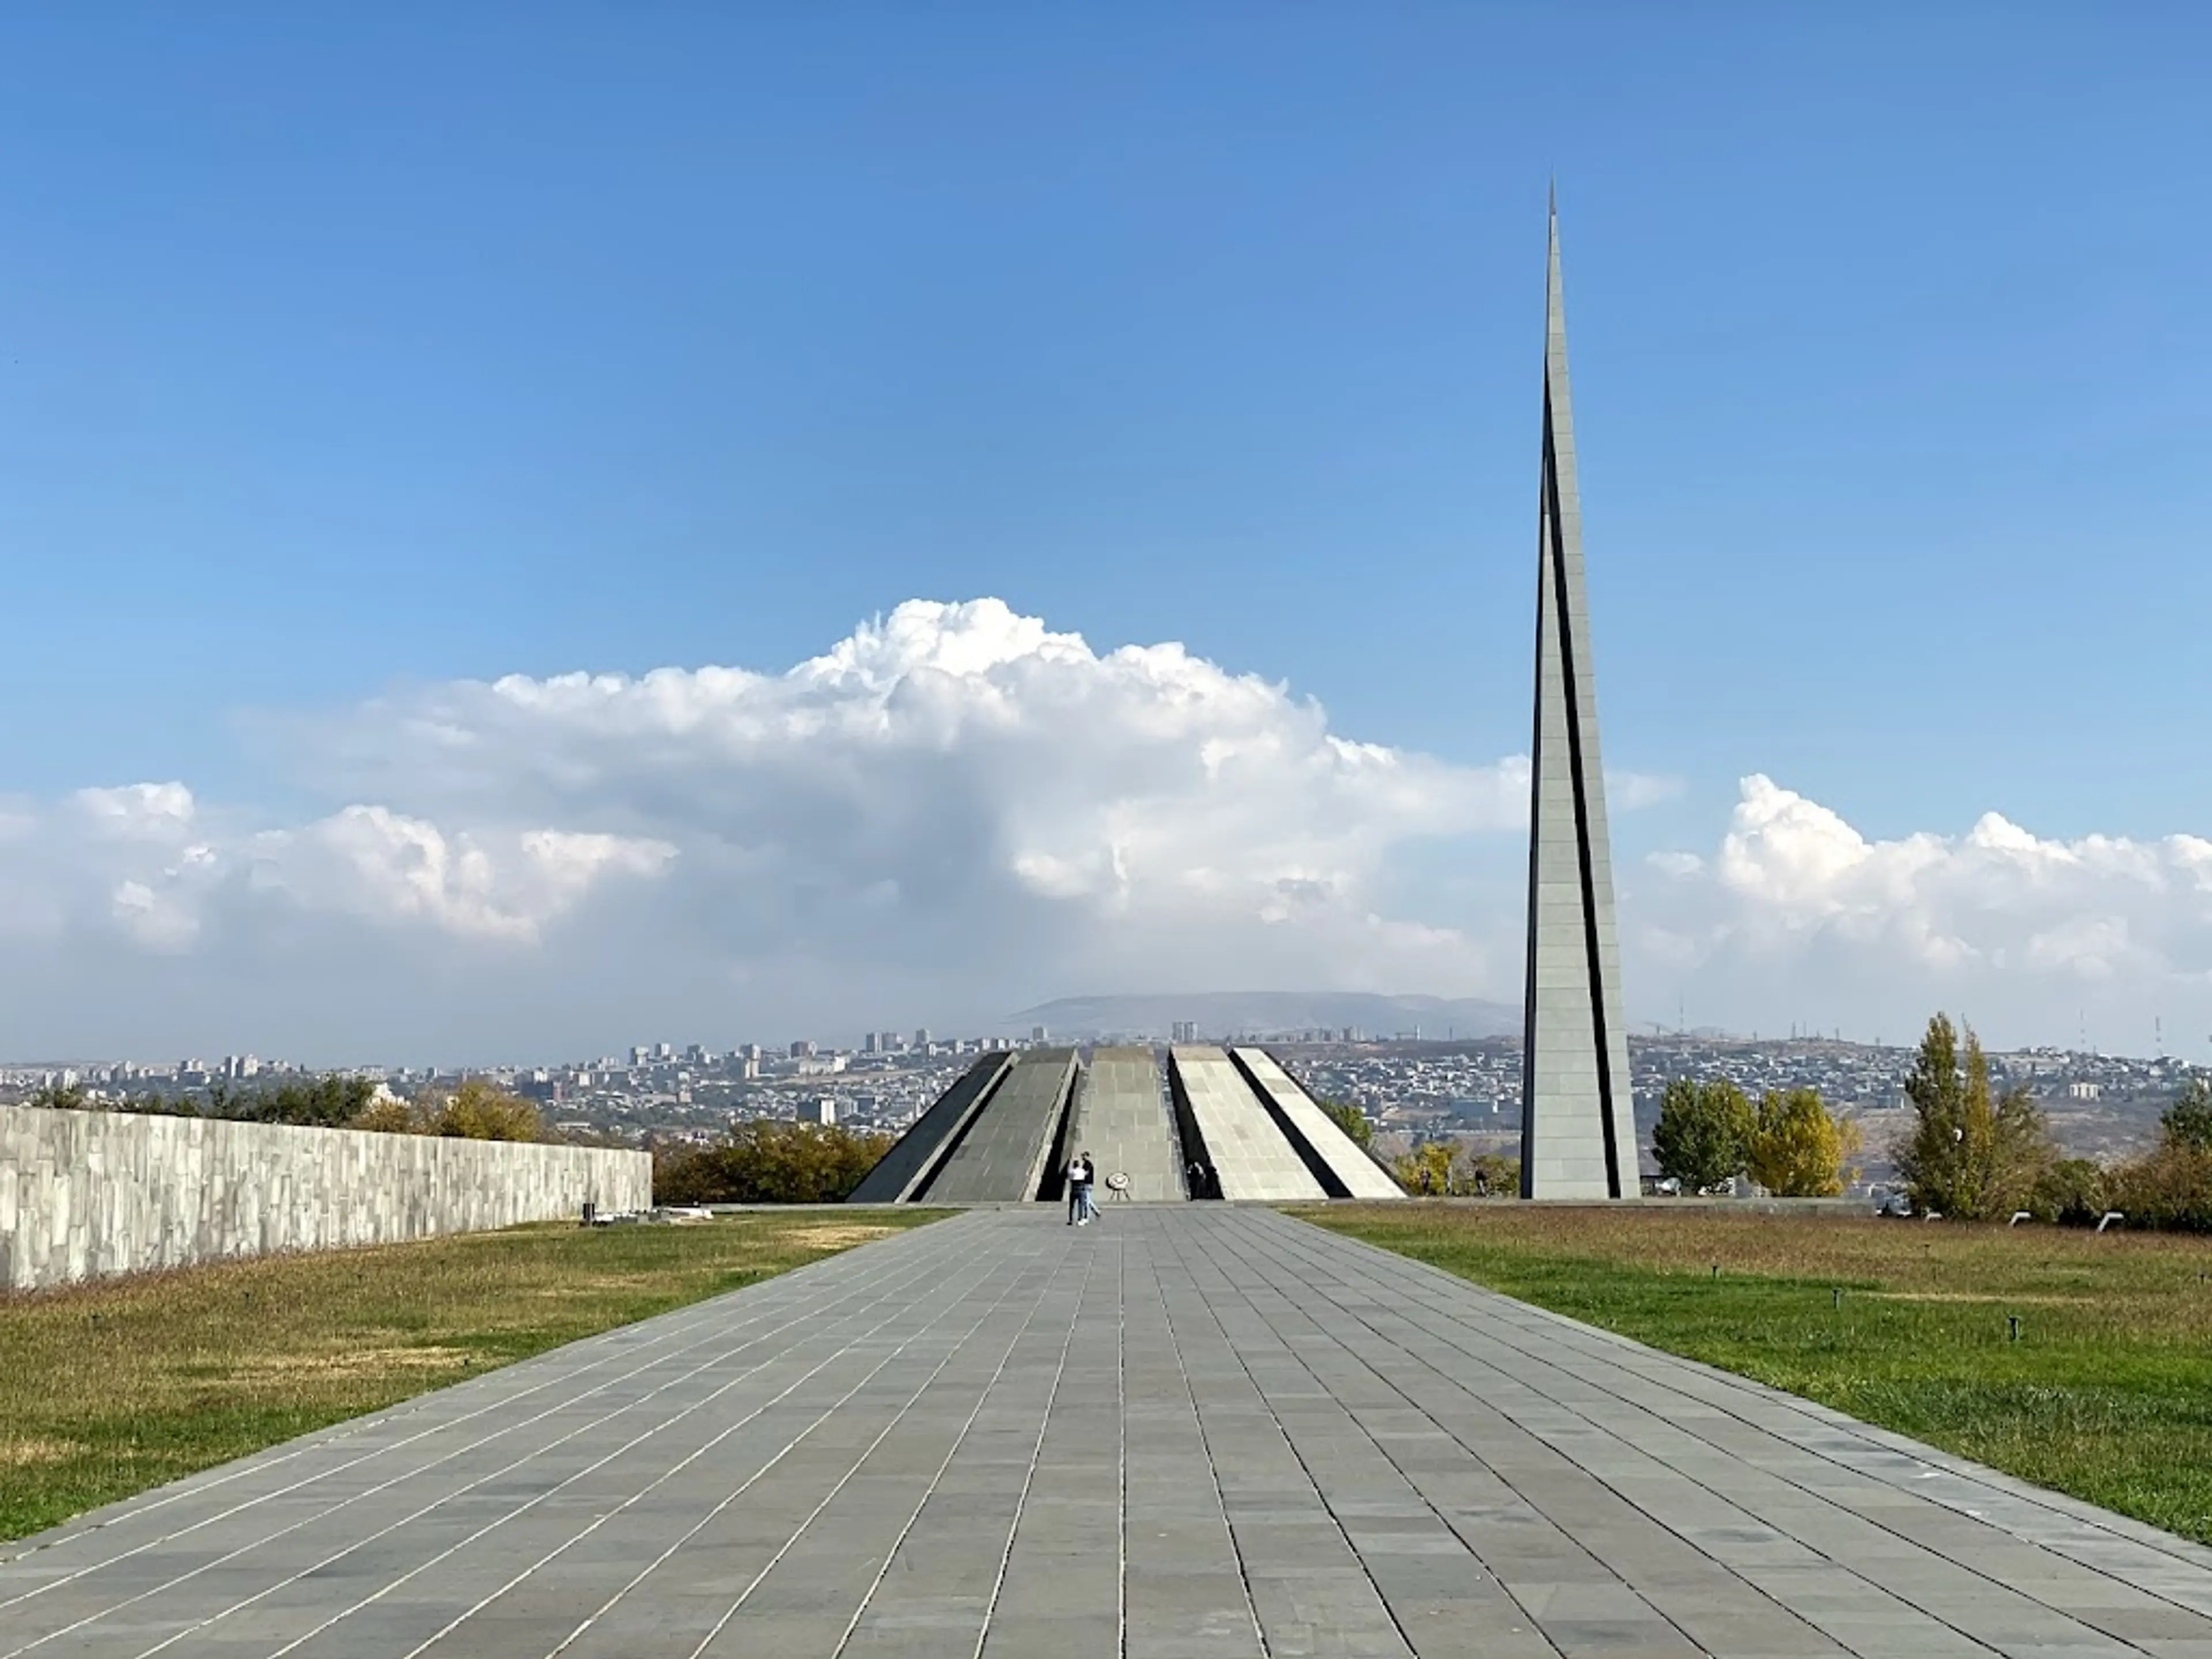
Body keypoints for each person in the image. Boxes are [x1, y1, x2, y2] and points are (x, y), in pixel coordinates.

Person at [1066, 1150, 1092, 1225]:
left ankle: (1071, 1219)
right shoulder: (1082, 1171)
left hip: (1074, 1188)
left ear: (1074, 1165)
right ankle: (1080, 1219)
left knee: (1072, 1206)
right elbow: (1086, 1174)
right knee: (1081, 1205)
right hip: (1081, 1187)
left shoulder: (1072, 1171)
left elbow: (1069, 1178)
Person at [1075, 1150, 1099, 1224]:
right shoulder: (1086, 1164)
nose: (1082, 1157)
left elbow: (1086, 1173)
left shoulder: (1088, 1164)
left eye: (1084, 1156)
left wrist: (1079, 1174)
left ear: (1087, 1156)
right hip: (1087, 1184)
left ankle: (1087, 1217)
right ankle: (1096, 1211)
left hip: (1087, 1184)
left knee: (1086, 1201)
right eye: (1082, 1155)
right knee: (1087, 1200)